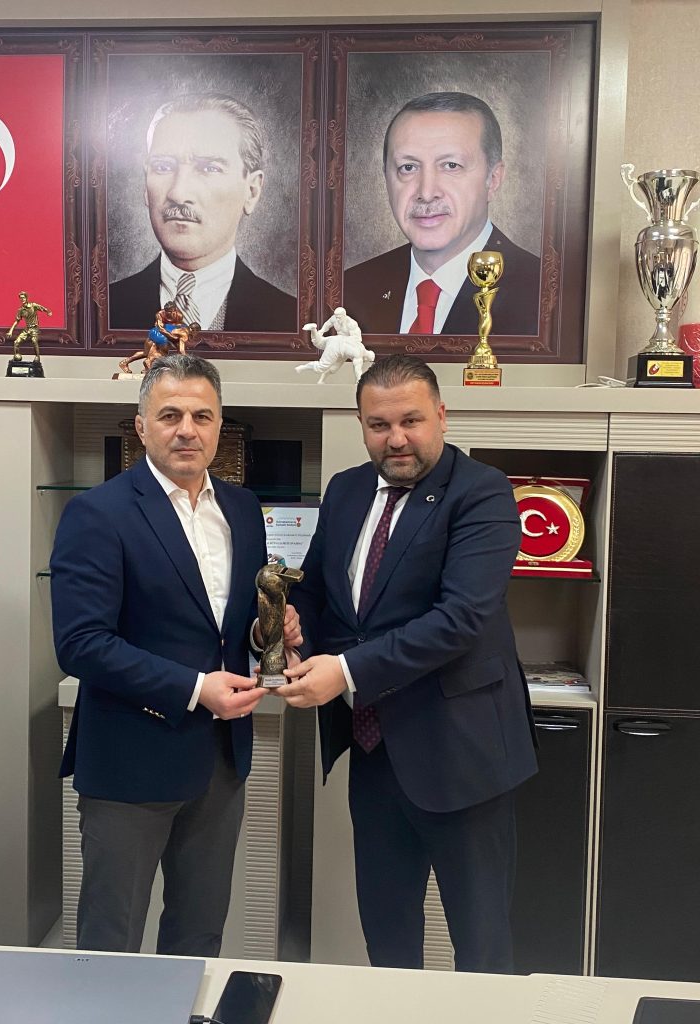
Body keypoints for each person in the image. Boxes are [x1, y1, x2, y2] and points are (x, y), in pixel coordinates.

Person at [278, 354, 537, 972]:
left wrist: (343, 673)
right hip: (374, 752)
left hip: (462, 755)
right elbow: (318, 590)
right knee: (388, 935)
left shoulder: (482, 492)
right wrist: (295, 625)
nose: (395, 438)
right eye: (379, 425)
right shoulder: (345, 490)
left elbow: (460, 620)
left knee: (481, 944)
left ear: (441, 416)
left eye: (411, 421)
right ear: (361, 426)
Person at [50, 353, 301, 956]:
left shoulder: (242, 509)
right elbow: (81, 643)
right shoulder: (97, 512)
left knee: (199, 934)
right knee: (111, 944)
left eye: (201, 416)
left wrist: (266, 632)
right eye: (170, 415)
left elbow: (226, 627)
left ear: (219, 427)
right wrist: (195, 687)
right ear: (141, 427)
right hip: (130, 761)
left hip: (220, 762)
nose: (187, 429)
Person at [343, 92, 541, 337]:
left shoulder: (544, 297)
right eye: (408, 167)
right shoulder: (349, 292)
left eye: (451, 166)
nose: (426, 193)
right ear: (386, 178)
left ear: (493, 180)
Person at [109, 93, 297, 333]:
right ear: (145, 185)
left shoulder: (293, 321)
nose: (178, 193)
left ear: (251, 191)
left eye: (209, 168)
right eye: (163, 167)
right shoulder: (99, 312)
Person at [296, 306, 375, 383]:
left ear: (344, 316)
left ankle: (320, 380)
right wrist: (322, 331)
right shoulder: (334, 318)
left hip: (340, 344)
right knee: (321, 360)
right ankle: (313, 330)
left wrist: (343, 341)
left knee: (333, 368)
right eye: (336, 317)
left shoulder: (351, 324)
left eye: (339, 318)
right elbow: (327, 324)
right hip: (337, 343)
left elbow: (357, 339)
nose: (337, 319)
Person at [7, 291, 52, 362]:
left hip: (34, 328)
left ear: (26, 298)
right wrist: (10, 331)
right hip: (27, 329)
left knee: (34, 341)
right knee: (16, 342)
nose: (22, 299)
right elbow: (17, 321)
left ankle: (37, 356)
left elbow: (43, 308)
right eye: (21, 298)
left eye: (23, 298)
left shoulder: (33, 306)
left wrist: (48, 311)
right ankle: (16, 356)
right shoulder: (21, 310)